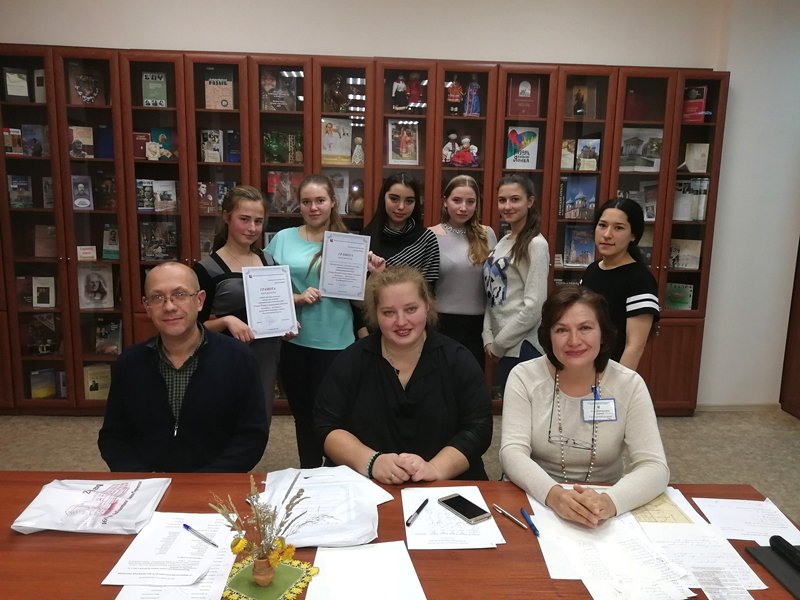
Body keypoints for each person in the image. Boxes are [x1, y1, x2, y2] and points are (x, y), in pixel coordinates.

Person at [500, 286, 669, 527]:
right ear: (548, 336)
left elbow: (655, 466)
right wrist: (555, 496)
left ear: (603, 333)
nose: (574, 341)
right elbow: (512, 452)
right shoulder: (524, 377)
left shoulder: (628, 384)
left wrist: (609, 502)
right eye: (561, 330)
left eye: (585, 328)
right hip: (538, 497)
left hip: (605, 501)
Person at [314, 266, 493, 483]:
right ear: (375, 313)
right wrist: (372, 462)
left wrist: (435, 469)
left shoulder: (459, 360)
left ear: (427, 306)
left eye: (411, 309)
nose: (401, 322)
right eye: (388, 312)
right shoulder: (352, 360)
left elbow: (479, 428)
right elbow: (325, 425)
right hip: (367, 486)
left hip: (446, 485)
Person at [97, 262, 268, 472]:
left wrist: (202, 482)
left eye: (180, 294)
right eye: (157, 297)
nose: (169, 307)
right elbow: (114, 437)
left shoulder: (238, 358)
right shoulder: (129, 363)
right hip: (147, 483)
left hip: (216, 482)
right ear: (147, 307)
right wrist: (143, 479)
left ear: (200, 300)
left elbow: (252, 436)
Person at [267, 174, 384, 468]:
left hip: (336, 343)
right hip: (294, 341)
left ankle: (334, 473)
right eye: (306, 202)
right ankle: (309, 471)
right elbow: (266, 289)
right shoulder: (282, 239)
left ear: (333, 202)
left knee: (334, 416)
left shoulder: (349, 244)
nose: (313, 207)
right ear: (299, 205)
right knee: (302, 415)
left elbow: (360, 304)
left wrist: (374, 276)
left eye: (320, 200)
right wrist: (295, 298)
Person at [194, 185, 286, 435]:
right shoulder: (207, 269)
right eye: (244, 219)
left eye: (258, 221)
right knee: (226, 425)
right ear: (226, 217)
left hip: (265, 358)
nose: (252, 228)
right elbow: (192, 328)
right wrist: (226, 321)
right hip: (226, 360)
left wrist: (286, 323)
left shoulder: (269, 261)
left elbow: (276, 305)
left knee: (259, 424)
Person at [483, 174, 549, 390]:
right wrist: (487, 336)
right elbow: (491, 293)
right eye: (502, 200)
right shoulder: (503, 240)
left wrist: (499, 344)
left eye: (515, 199)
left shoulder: (536, 244)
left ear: (530, 201)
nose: (507, 206)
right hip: (503, 347)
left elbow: (534, 307)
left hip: (523, 347)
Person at [580, 197, 660, 370]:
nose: (607, 234)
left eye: (618, 228)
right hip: (584, 367)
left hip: (612, 371)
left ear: (633, 235)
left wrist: (618, 383)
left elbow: (635, 346)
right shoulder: (592, 270)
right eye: (602, 225)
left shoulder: (640, 280)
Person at [429, 175, 497, 368]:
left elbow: (496, 283)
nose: (463, 208)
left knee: (472, 381)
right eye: (457, 200)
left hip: (478, 327)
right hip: (441, 325)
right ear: (445, 201)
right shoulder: (430, 235)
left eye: (470, 202)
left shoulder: (487, 234)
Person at [362, 172, 439, 290]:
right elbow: (356, 290)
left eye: (409, 201)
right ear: (383, 198)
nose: (401, 207)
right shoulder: (365, 239)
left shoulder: (427, 240)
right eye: (394, 199)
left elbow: (428, 291)